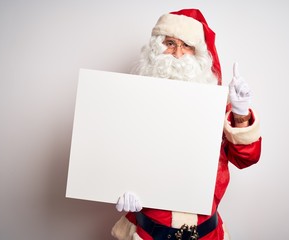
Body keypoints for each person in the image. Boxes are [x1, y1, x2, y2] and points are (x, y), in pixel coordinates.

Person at [111, 8, 262, 240]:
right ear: (156, 49)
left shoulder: (218, 105)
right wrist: (118, 186)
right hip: (148, 232)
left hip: (206, 234)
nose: (178, 54)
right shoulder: (131, 103)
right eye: (170, 43)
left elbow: (245, 159)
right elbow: (115, 155)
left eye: (186, 46)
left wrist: (240, 112)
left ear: (198, 54)